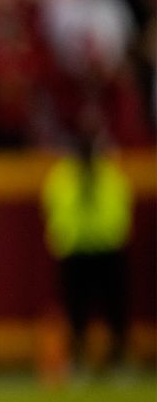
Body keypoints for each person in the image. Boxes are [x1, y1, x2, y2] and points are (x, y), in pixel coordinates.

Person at [42, 126, 133, 374]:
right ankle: (77, 358)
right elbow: (54, 209)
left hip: (106, 249)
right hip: (75, 251)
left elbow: (121, 207)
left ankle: (118, 358)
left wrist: (111, 235)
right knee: (75, 310)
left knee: (114, 308)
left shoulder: (108, 174)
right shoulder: (63, 175)